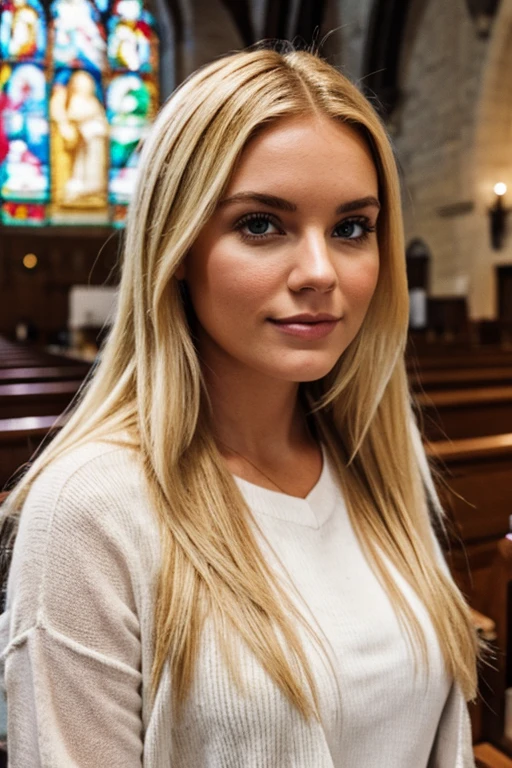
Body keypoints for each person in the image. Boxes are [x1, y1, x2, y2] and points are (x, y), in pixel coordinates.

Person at [0, 46, 481, 767]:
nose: (321, 273)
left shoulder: (371, 463)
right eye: (262, 224)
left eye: (352, 228)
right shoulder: (90, 510)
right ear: (179, 247)